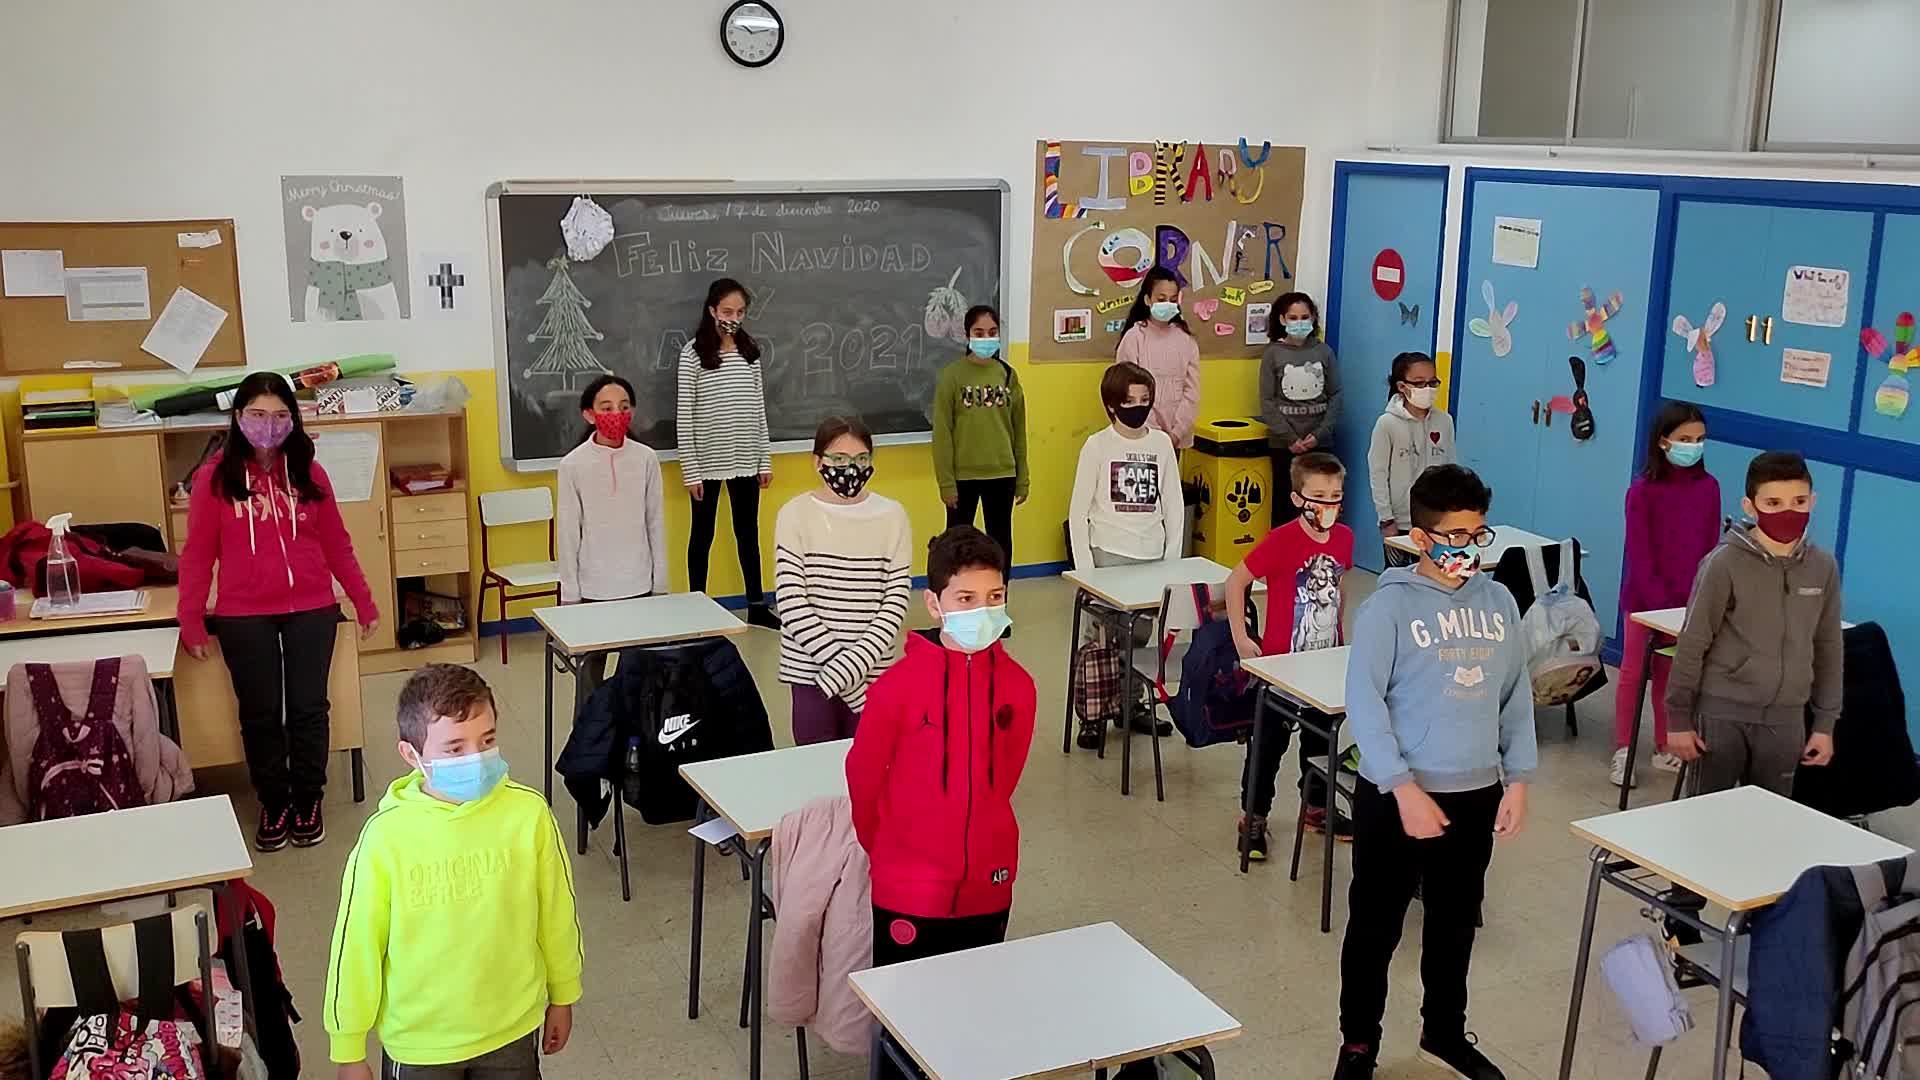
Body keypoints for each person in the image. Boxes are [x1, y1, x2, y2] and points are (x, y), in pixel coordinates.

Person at [1334, 464, 1534, 1080]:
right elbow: (1365, 704)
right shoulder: (1388, 607)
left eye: (1477, 535)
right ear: (1421, 538)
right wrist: (1402, 787)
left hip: (1475, 792)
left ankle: (1444, 1031)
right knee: (1375, 926)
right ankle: (1358, 1043)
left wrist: (1518, 779)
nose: (1468, 549)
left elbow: (1514, 696)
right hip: (1397, 797)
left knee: (1454, 924)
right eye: (1454, 536)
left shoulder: (1499, 602)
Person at [325, 665, 583, 1080]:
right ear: (412, 755)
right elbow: (356, 947)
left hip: (512, 1029)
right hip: (420, 1043)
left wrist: (564, 993)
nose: (476, 758)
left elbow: (556, 914)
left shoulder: (529, 814)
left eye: (488, 740)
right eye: (454, 748)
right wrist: (349, 1049)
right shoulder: (384, 838)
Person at [845, 526, 1036, 1078]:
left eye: (995, 597)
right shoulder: (896, 688)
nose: (982, 611)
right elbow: (864, 778)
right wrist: (890, 852)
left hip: (989, 880)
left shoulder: (1019, 686)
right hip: (909, 885)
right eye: (966, 598)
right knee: (906, 1023)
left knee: (975, 1013)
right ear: (934, 604)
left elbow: (1006, 778)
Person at [179, 371, 378, 852]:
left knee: (309, 708)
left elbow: (337, 544)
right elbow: (198, 554)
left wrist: (363, 600)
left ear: (293, 420)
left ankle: (308, 799)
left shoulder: (310, 474)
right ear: (237, 417)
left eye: (279, 415)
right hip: (243, 614)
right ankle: (274, 802)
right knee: (260, 713)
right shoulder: (214, 479)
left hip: (311, 606)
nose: (268, 425)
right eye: (257, 414)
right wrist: (191, 619)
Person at [1666, 450, 1841, 796]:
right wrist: (1678, 720)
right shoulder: (1723, 563)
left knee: (1770, 818)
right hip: (1721, 715)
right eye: (1773, 503)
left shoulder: (1823, 567)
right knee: (1706, 816)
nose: (1788, 512)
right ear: (1750, 506)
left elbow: (1828, 647)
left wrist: (1825, 724)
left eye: (1799, 501)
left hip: (1786, 720)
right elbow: (1693, 642)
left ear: (1813, 501)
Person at [1224, 451, 1355, 861]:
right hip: (1281, 671)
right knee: (1266, 750)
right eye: (1319, 497)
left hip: (1323, 667)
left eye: (1335, 496)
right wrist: (1242, 638)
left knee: (1321, 743)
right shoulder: (1281, 540)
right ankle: (1253, 817)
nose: (1328, 505)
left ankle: (1316, 808)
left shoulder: (1344, 538)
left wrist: (1340, 636)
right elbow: (1235, 582)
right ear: (1298, 498)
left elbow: (1340, 585)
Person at [773, 416, 913, 744]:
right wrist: (849, 680)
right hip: (811, 671)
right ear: (817, 462)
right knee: (814, 764)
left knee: (869, 765)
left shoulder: (893, 516)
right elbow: (791, 602)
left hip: (873, 670)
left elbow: (895, 600)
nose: (851, 468)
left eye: (861, 459)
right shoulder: (794, 514)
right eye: (839, 459)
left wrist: (853, 667)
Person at [1612, 401, 1718, 787]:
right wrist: (1659, 608)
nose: (1694, 446)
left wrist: (1696, 602)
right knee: (1633, 672)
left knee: (1671, 676)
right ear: (1663, 441)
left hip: (1687, 603)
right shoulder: (1643, 491)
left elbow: (1710, 548)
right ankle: (1624, 749)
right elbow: (1640, 554)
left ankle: (1665, 744)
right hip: (1645, 601)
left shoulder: (1708, 487)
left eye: (1700, 439)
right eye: (1685, 439)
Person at [677, 277, 776, 629]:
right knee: (702, 535)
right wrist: (691, 470)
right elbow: (685, 415)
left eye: (740, 312)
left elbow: (758, 409)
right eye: (727, 311)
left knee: (748, 533)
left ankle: (756, 605)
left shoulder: (750, 352)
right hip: (707, 462)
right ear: (712, 310)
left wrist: (764, 459)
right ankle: (696, 605)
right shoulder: (693, 354)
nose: (733, 318)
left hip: (746, 459)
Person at [557, 373, 668, 607]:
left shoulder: (646, 458)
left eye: (624, 407)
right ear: (589, 414)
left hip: (640, 584)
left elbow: (655, 522)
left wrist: (660, 584)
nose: (616, 414)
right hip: (593, 586)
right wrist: (569, 592)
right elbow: (568, 533)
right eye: (606, 408)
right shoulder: (572, 464)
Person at [933, 304, 1028, 569]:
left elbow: (1018, 430)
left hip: (1002, 474)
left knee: (1000, 541)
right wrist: (946, 483)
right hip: (963, 477)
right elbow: (942, 433)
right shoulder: (952, 376)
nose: (986, 338)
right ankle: (955, 592)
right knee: (957, 544)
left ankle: (999, 592)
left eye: (992, 332)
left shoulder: (1007, 374)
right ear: (967, 335)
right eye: (979, 332)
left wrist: (1023, 478)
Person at [1067, 362, 1186, 573]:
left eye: (1144, 400)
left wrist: (1172, 559)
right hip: (1108, 552)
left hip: (1153, 552)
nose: (1138, 407)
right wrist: (1085, 569)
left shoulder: (1162, 443)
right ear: (1112, 406)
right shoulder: (1096, 445)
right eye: (1129, 401)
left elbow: (1174, 505)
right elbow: (1078, 512)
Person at [1367, 352, 1455, 569]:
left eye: (1432, 382)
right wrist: (1386, 518)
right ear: (1402, 386)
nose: (1427, 389)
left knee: (1432, 575)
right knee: (1398, 576)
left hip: (1435, 520)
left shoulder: (1444, 421)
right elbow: (1378, 473)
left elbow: (1450, 470)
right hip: (1400, 522)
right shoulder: (1387, 424)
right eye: (1419, 383)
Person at [1261, 291, 1342, 526]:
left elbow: (1336, 394)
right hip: (1284, 446)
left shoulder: (1324, 352)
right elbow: (1267, 401)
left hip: (1320, 444)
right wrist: (1290, 438)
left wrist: (1319, 435)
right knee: (1286, 508)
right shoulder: (1273, 354)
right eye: (1293, 317)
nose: (1299, 322)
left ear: (1313, 318)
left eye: (1304, 317)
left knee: (1320, 505)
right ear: (1282, 319)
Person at [1115, 267, 1202, 449]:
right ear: (1148, 300)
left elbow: (1191, 392)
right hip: (1140, 435)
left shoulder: (1186, 340)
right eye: (1161, 300)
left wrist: (1176, 433)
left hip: (1175, 438)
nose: (1167, 304)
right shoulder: (1134, 338)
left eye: (1173, 300)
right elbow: (1126, 390)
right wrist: (1152, 433)